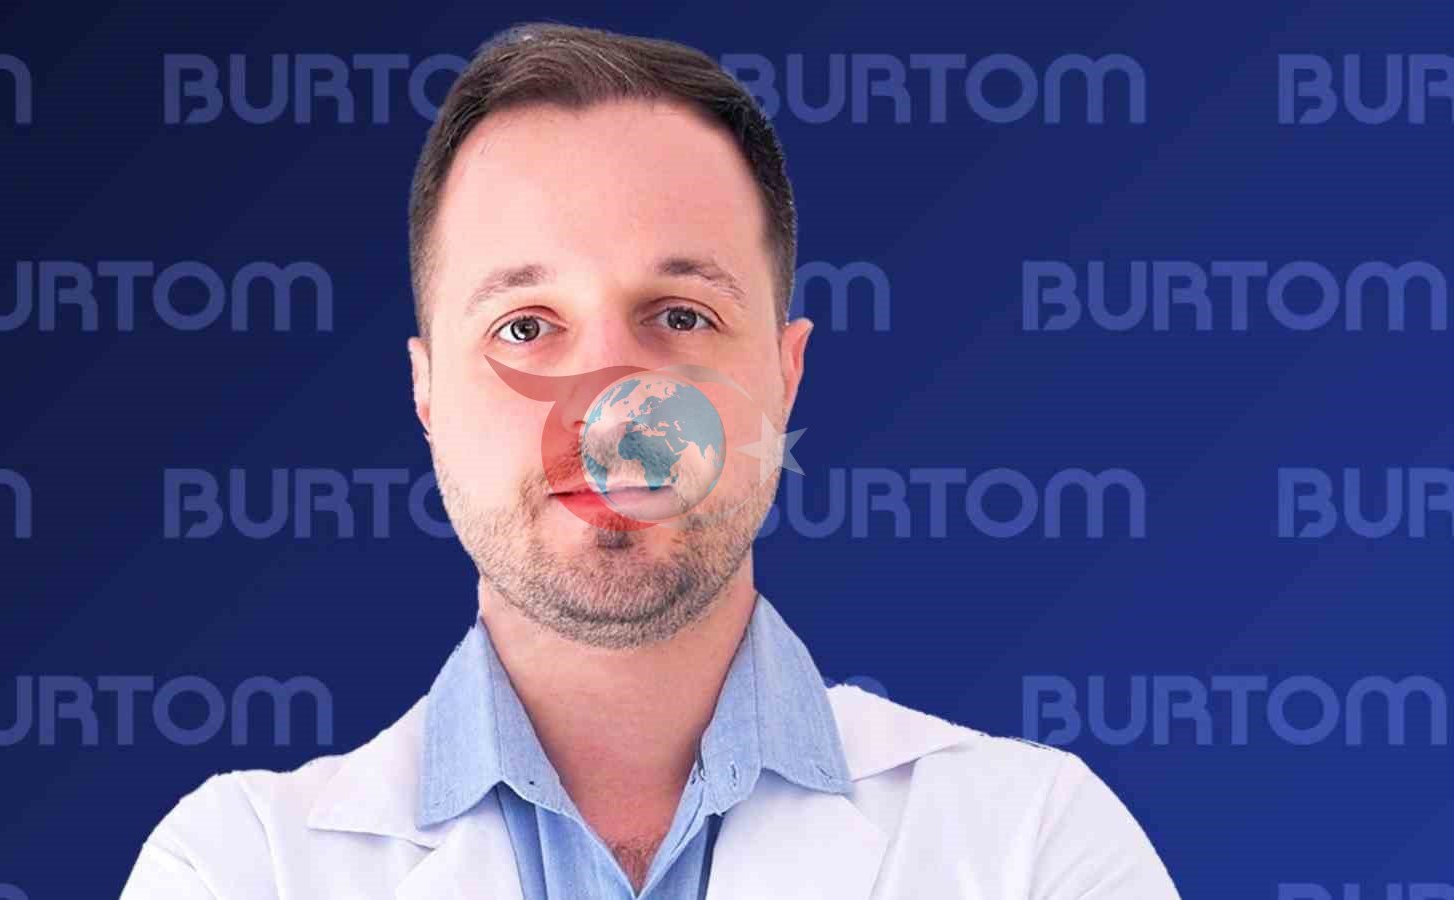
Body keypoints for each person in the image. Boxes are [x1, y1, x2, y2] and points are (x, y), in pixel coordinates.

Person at [120, 21, 1180, 899]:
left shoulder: (1034, 847)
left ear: (784, 375)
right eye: (526, 328)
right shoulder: (237, 868)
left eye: (679, 315)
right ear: (425, 390)